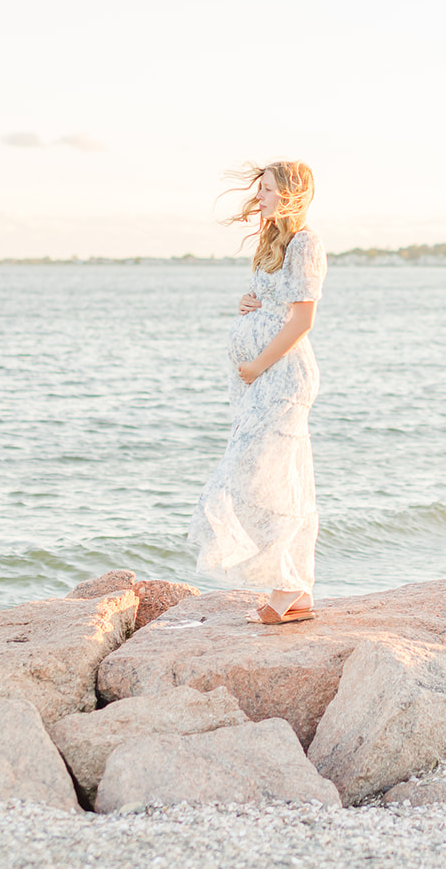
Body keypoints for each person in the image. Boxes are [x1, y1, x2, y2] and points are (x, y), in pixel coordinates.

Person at [188, 161, 327, 624]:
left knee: (262, 476)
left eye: (268, 189)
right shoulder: (272, 241)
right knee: (272, 475)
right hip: (259, 376)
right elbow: (266, 299)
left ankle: (287, 587)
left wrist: (257, 365)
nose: (260, 196)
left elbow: (303, 320)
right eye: (260, 188)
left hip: (282, 376)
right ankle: (296, 590)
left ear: (290, 193)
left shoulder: (306, 242)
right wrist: (245, 305)